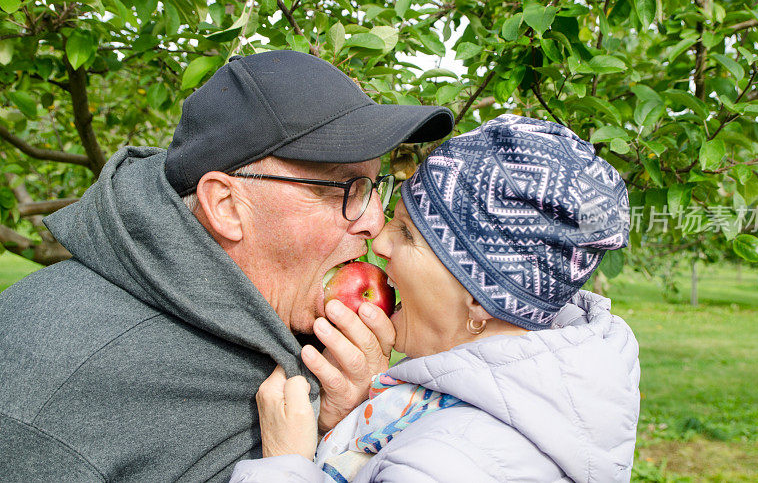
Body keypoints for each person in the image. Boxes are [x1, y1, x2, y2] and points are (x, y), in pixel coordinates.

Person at [0, 51, 453, 482]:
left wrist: (344, 424)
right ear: (227, 206)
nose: (376, 221)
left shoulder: (293, 321)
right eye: (342, 189)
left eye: (376, 186)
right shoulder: (49, 391)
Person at [230, 114, 641, 482]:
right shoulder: (496, 404)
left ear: (483, 299)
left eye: (408, 234)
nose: (380, 238)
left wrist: (284, 463)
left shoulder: (450, 461)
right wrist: (350, 420)